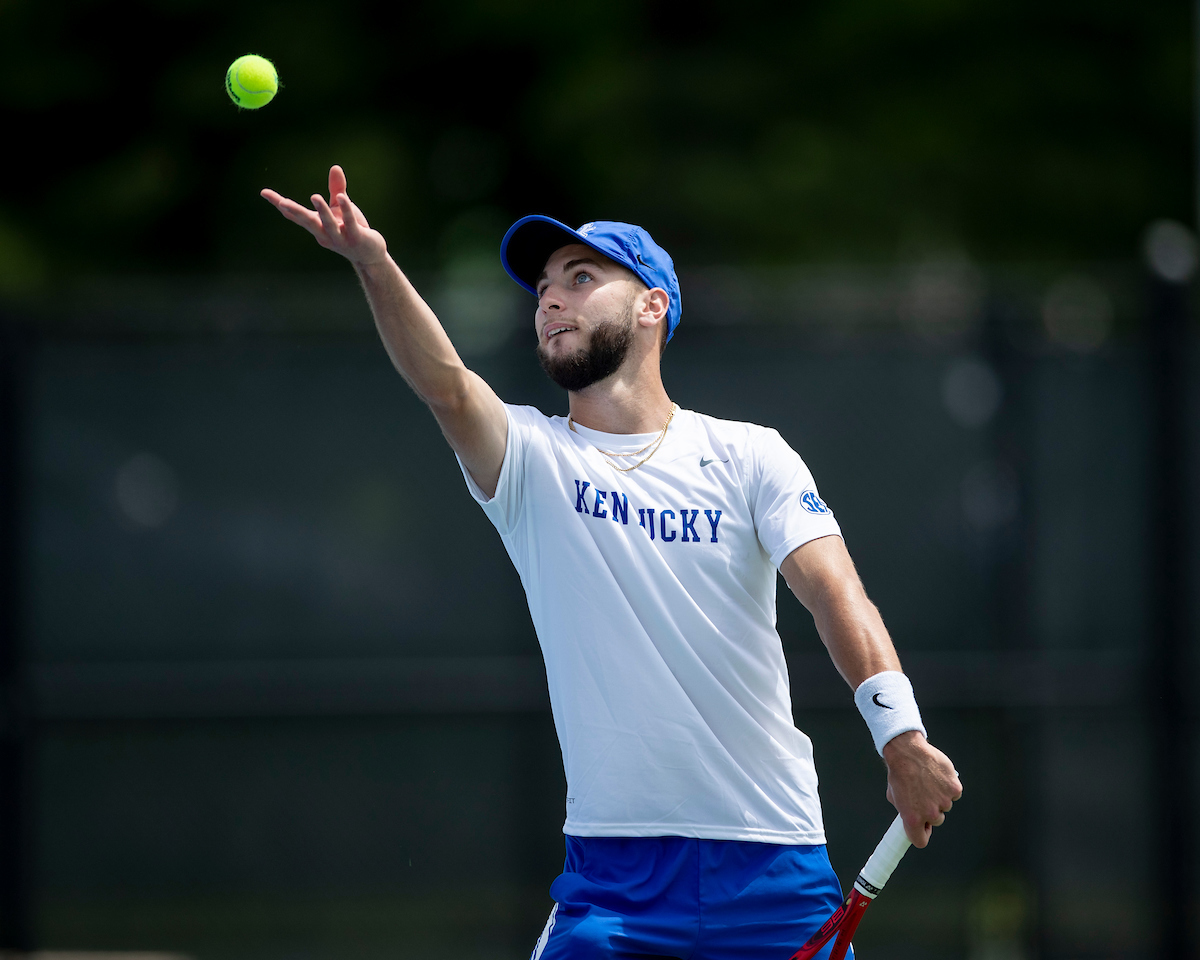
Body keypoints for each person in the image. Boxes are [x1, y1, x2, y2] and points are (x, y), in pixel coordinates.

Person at [262, 166, 962, 960]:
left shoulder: (750, 455)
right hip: (614, 885)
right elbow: (449, 387)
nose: (550, 300)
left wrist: (901, 737)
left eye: (580, 277)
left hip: (775, 864)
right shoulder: (531, 458)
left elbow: (837, 594)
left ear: (651, 305)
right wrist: (373, 263)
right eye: (542, 290)